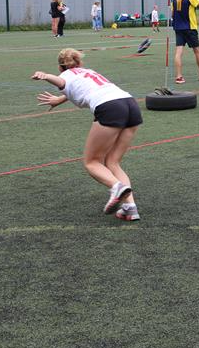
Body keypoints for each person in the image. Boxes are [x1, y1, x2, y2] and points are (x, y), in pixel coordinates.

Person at [31, 48, 142, 221]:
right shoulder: (88, 72)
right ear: (79, 63)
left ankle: (116, 187)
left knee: (92, 162)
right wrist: (59, 99)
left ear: (60, 67)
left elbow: (60, 81)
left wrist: (45, 76)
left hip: (110, 108)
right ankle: (130, 208)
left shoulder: (65, 75)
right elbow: (82, 88)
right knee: (113, 162)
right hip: (130, 104)